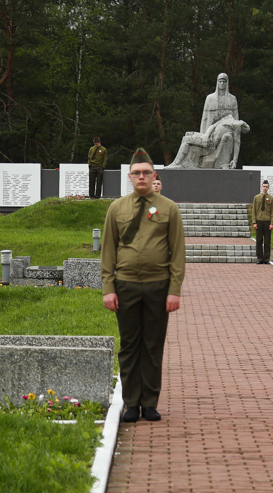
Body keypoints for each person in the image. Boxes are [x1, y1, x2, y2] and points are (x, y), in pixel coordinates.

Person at [101, 148, 186, 423]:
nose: (141, 177)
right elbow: (108, 250)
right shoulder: (117, 208)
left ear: (154, 175)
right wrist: (108, 288)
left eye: (146, 172)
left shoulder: (169, 208)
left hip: (157, 286)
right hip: (125, 286)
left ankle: (149, 402)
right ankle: (130, 403)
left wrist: (174, 290)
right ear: (130, 176)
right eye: (136, 173)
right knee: (128, 345)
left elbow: (178, 252)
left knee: (152, 345)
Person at [252, 179, 273, 264]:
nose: (265, 188)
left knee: (267, 241)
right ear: (261, 187)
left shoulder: (271, 198)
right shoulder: (257, 197)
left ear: (268, 188)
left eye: (266, 187)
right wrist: (254, 222)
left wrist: (272, 223)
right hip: (259, 221)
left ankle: (266, 258)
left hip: (267, 221)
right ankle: (259, 258)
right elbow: (254, 210)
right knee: (259, 241)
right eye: (264, 186)